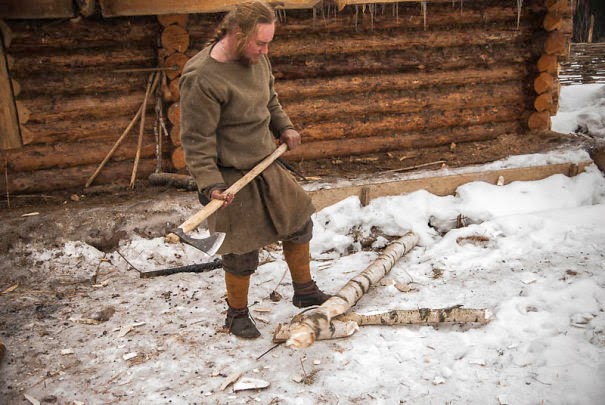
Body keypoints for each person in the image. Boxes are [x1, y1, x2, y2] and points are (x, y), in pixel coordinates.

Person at [179, 1, 330, 339]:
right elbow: (195, 139)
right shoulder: (202, 77)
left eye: (269, 43)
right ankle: (236, 314)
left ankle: (304, 290)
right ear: (236, 34)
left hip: (266, 162)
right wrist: (210, 185)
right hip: (230, 174)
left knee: (298, 222)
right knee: (240, 248)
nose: (266, 50)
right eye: (260, 43)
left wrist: (285, 126)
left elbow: (270, 99)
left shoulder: (257, 58)